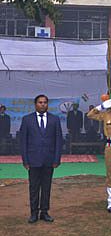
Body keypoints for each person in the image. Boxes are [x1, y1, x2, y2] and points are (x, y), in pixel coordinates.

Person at [19, 94, 63, 224]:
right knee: (33, 188)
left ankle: (44, 212)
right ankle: (34, 213)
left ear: (47, 104)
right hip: (33, 160)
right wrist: (25, 160)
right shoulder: (27, 120)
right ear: (35, 104)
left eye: (45, 102)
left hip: (49, 160)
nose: (43, 104)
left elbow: (59, 141)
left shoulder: (55, 120)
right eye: (40, 102)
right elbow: (23, 142)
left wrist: (57, 159)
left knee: (46, 187)